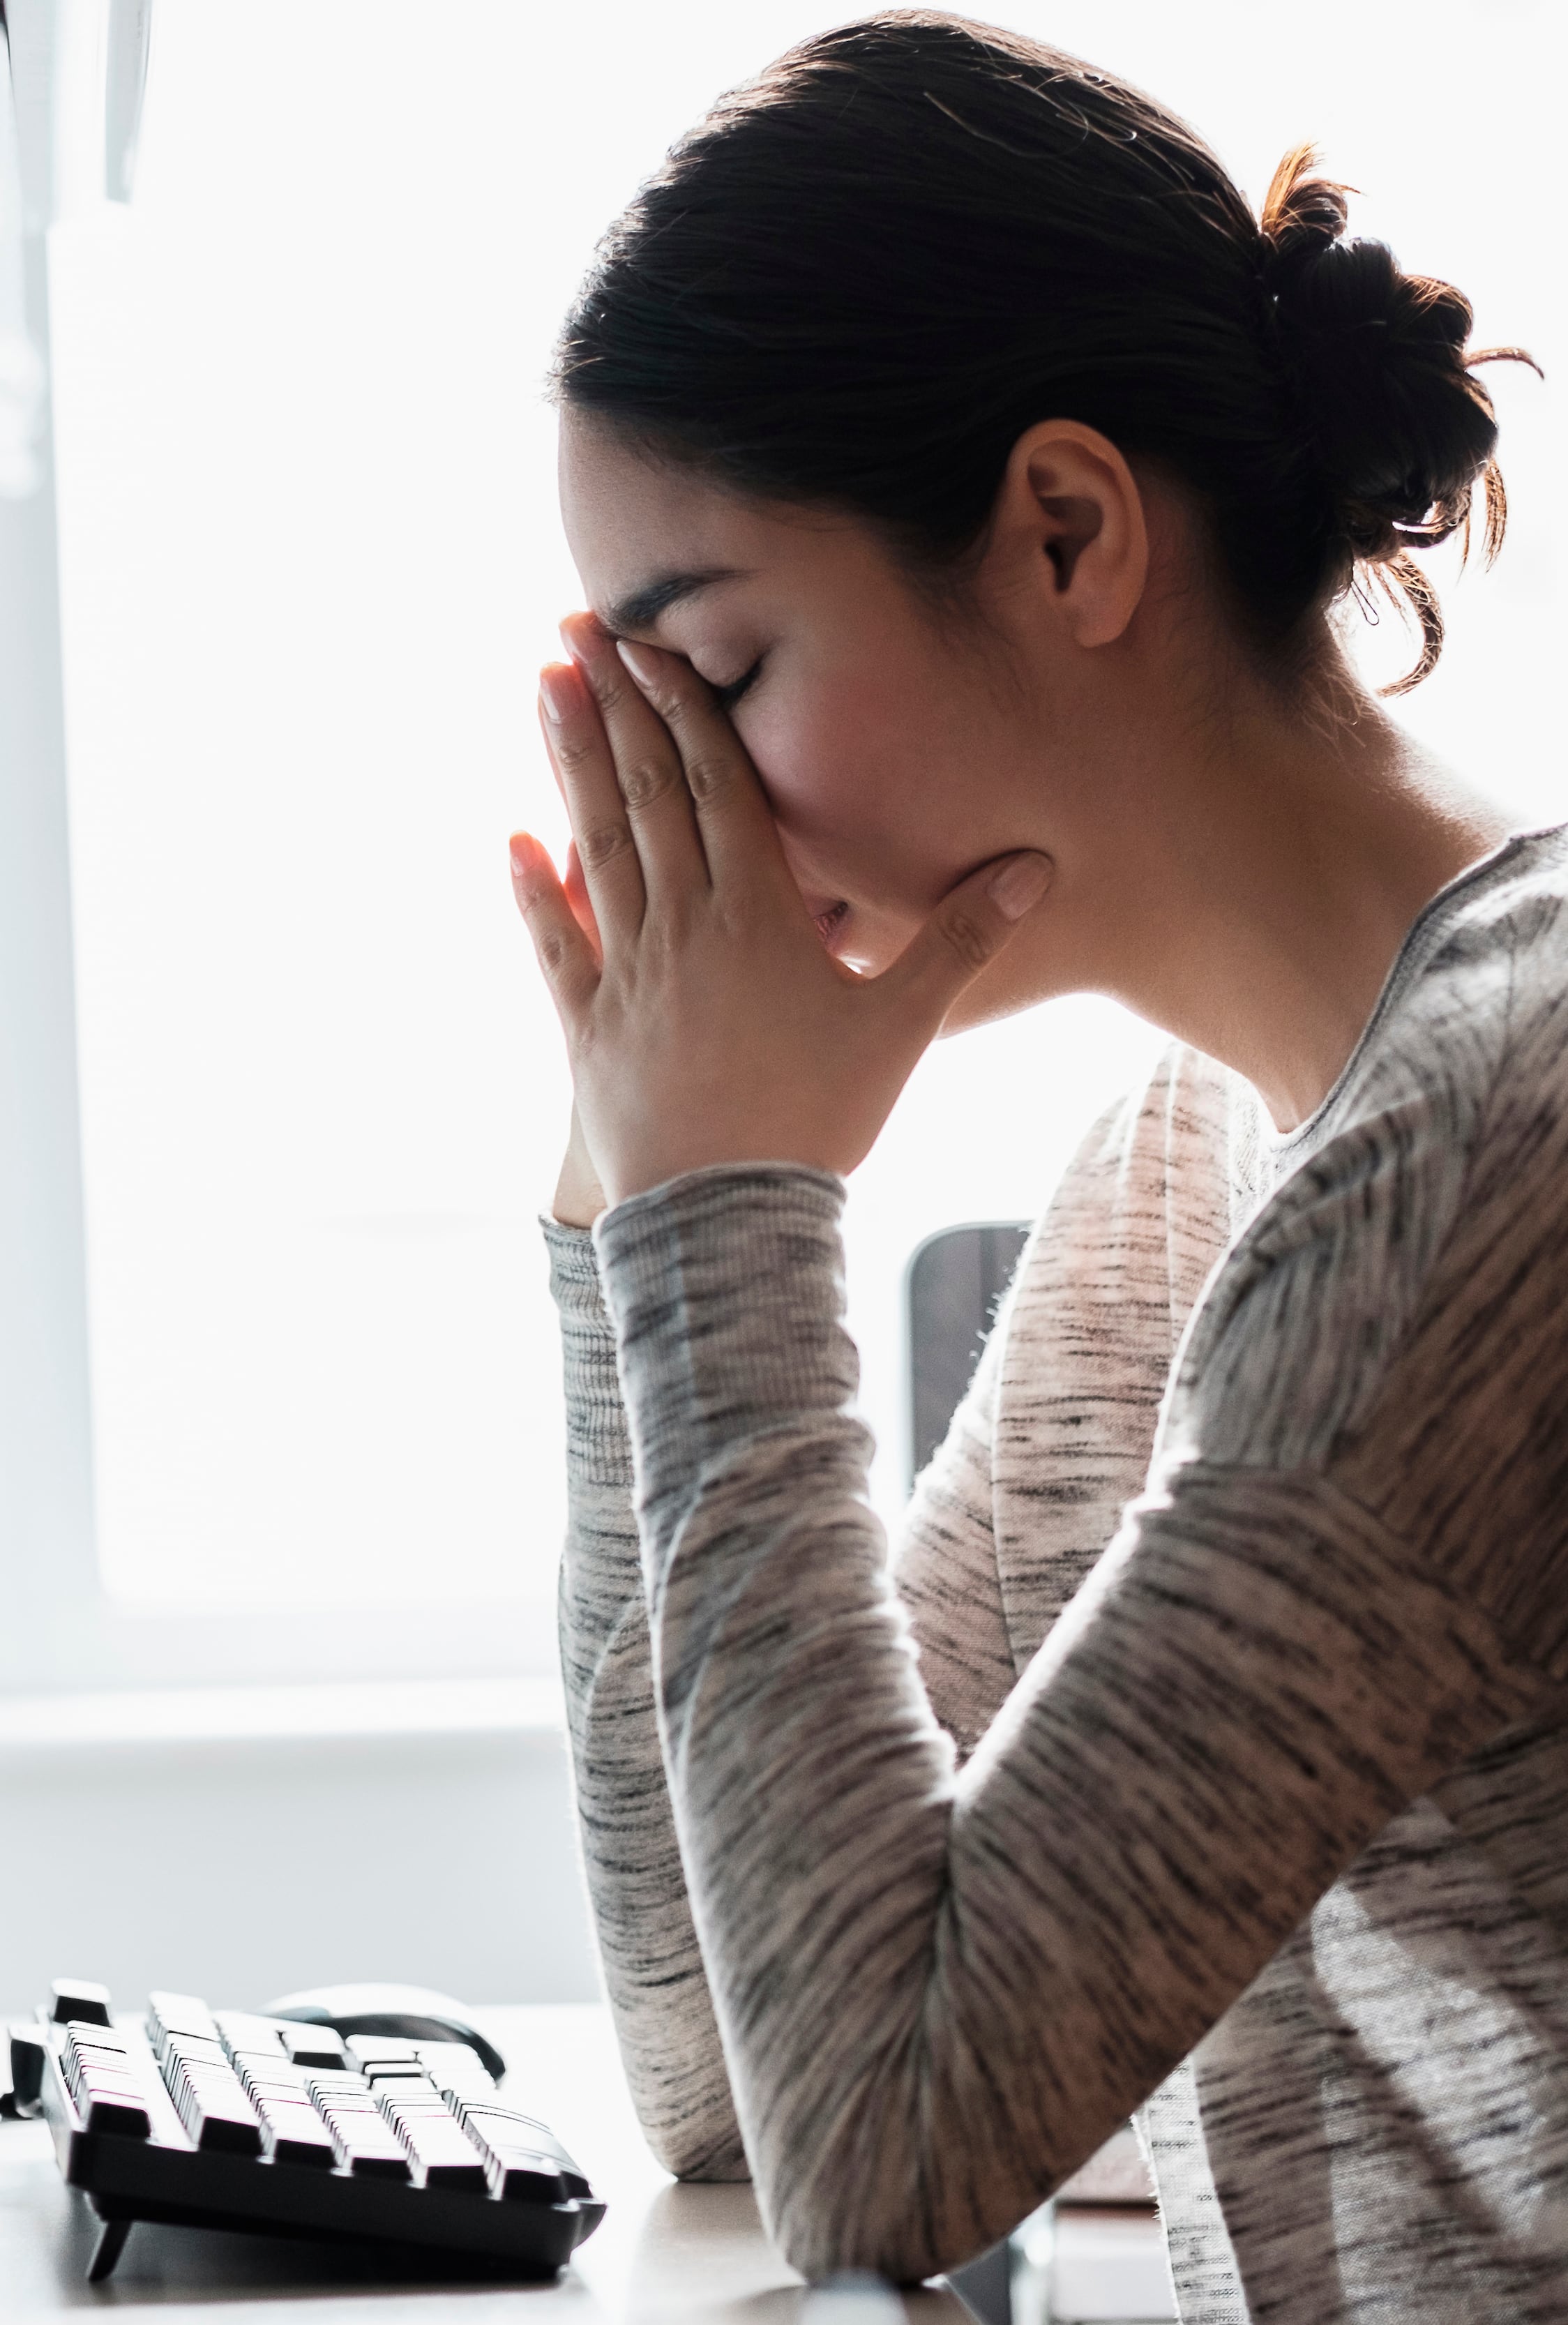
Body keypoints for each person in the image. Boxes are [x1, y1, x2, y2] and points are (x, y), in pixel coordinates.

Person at [506, 14, 1565, 2318]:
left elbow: (884, 2149)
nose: (677, 799)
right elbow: (735, 2050)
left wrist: (731, 1215)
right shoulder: (1188, 1173)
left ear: (1071, 534)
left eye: (720, 668)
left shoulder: (1485, 1153)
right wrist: (631, 1188)